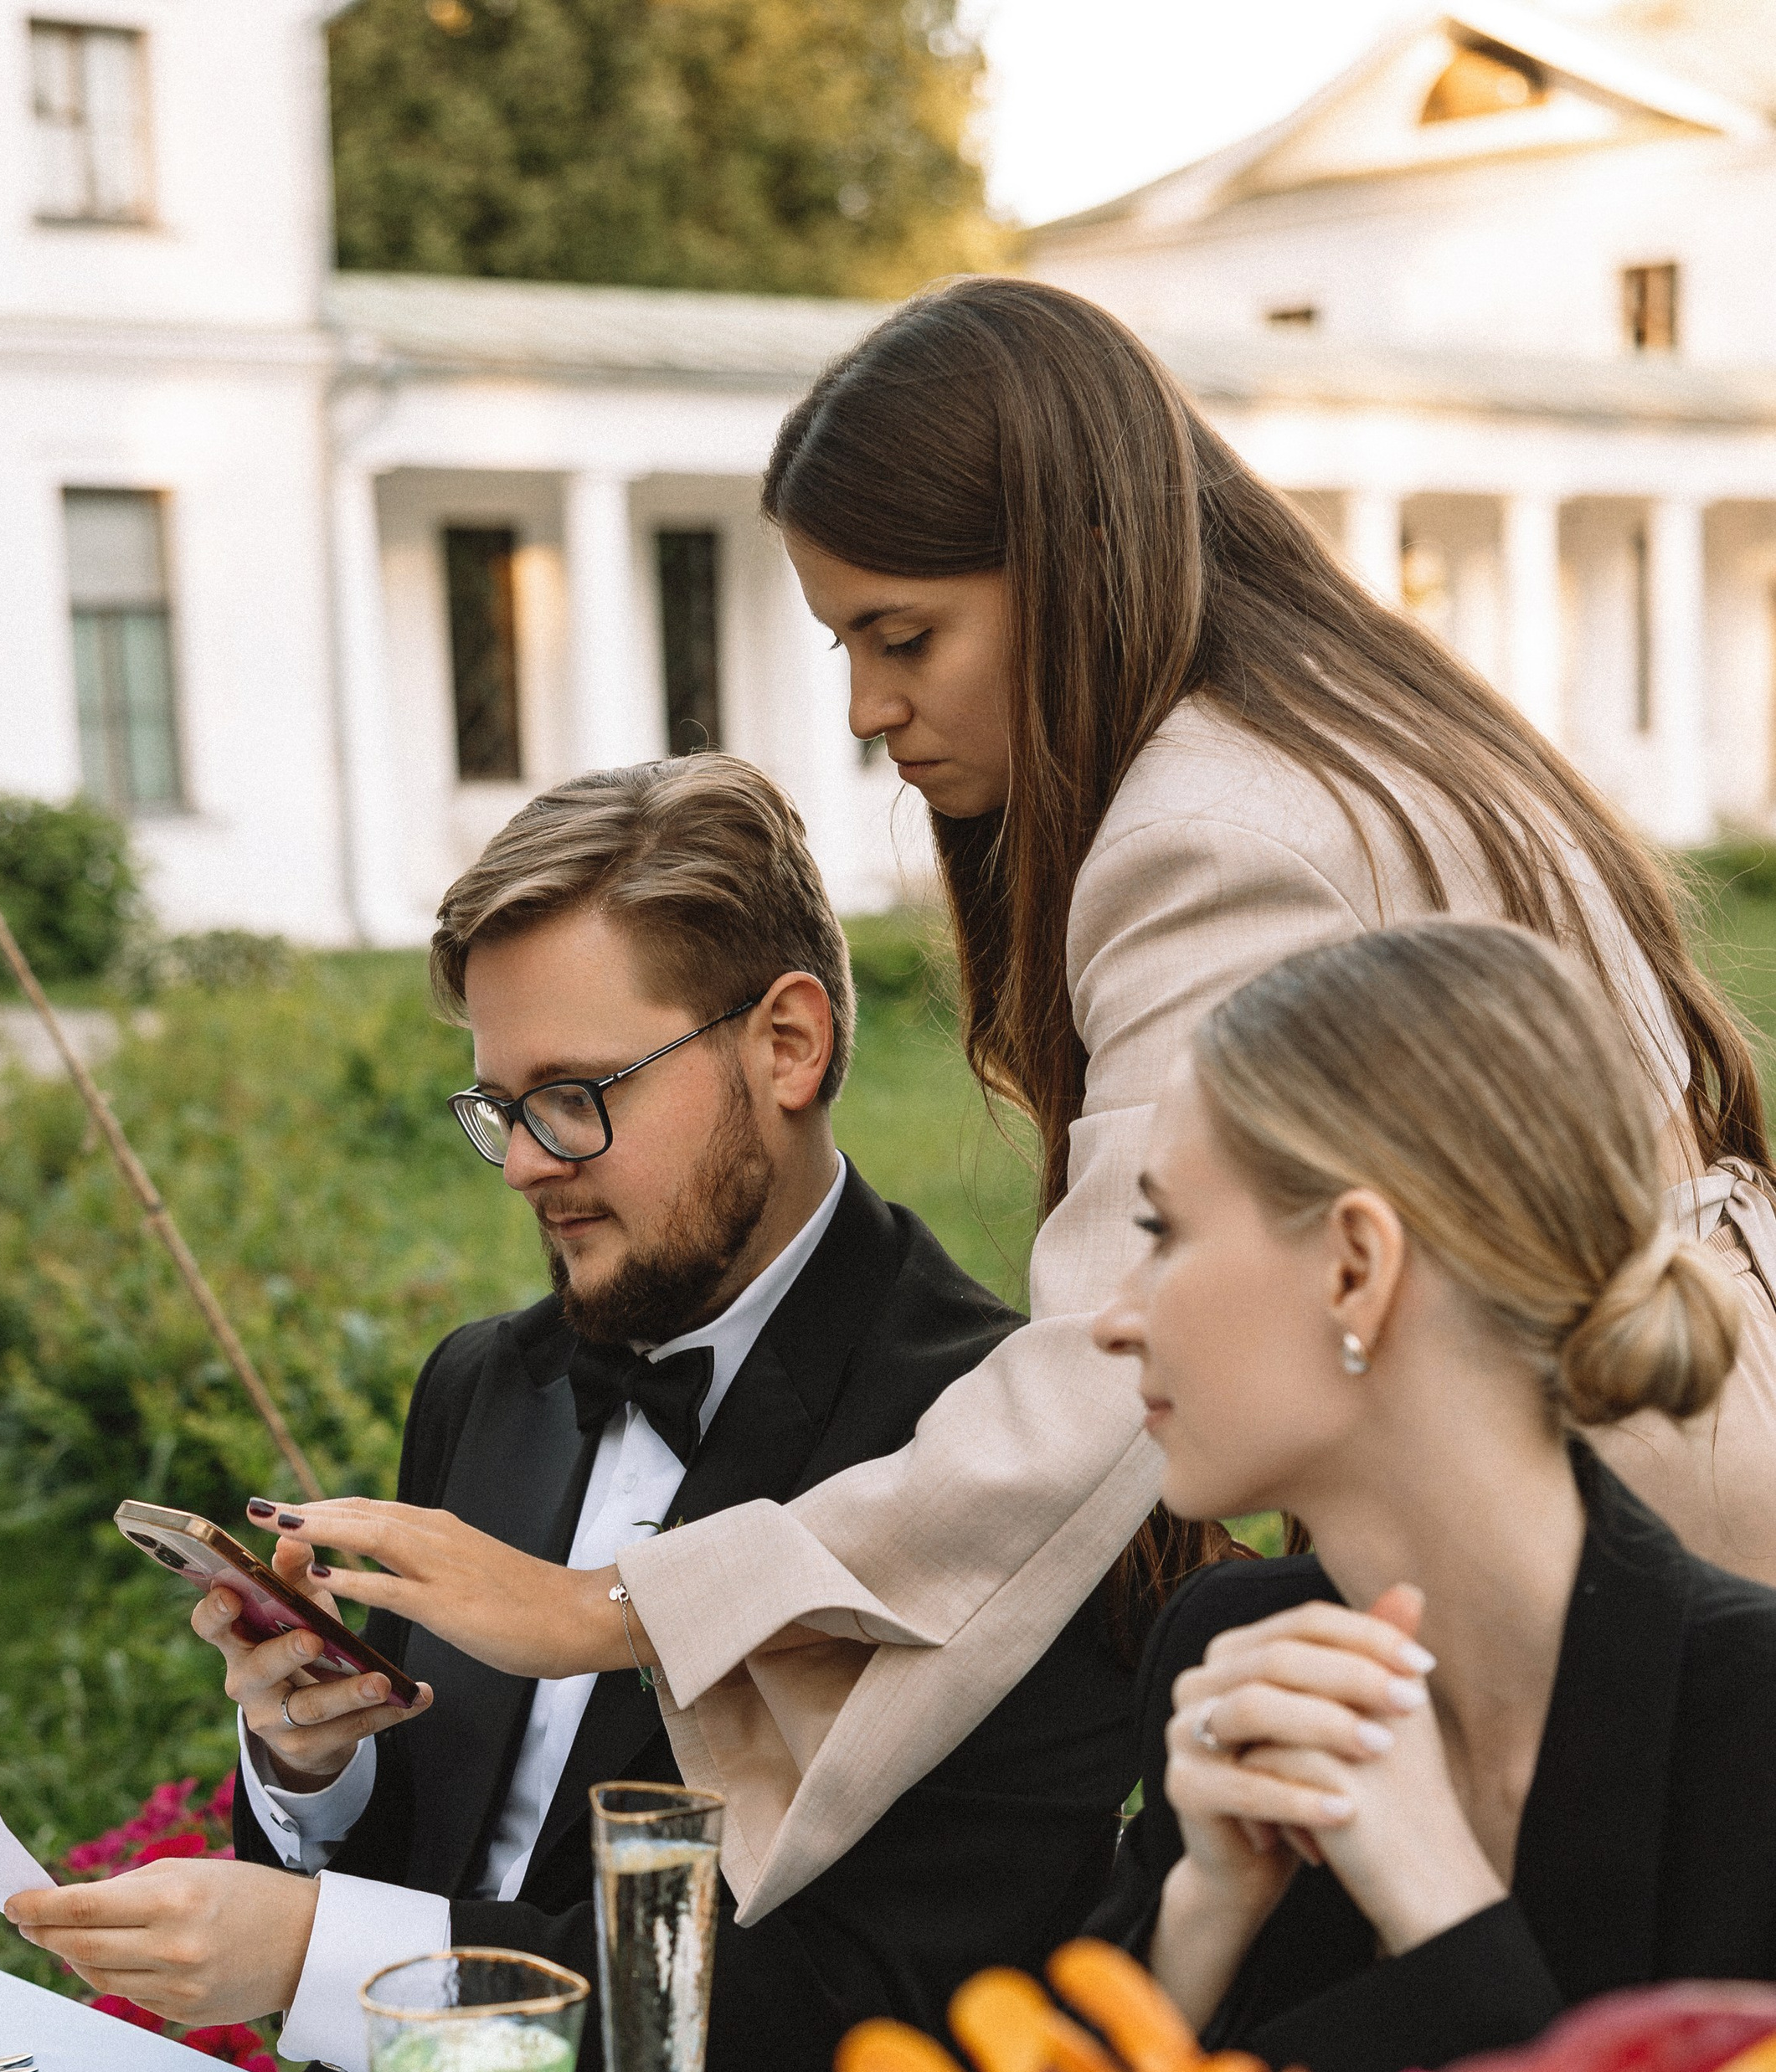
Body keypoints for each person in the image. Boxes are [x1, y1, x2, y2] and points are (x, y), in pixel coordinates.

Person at [266, 280, 1776, 1930]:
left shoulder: (1205, 829)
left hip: (1618, 1569)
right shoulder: (1330, 728)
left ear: (1071, 574)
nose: (862, 710)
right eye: (840, 644)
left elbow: (1087, 1388)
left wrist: (609, 1606)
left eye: (901, 636)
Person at [8, 756, 1135, 2072]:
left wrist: (316, 1953)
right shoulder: (490, 1380)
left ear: (787, 1043)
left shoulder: (993, 1450)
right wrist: (313, 1768)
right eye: (499, 1104)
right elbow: (433, 1840)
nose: (528, 1161)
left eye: (576, 1098)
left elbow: (867, 1998)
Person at [1080, 916, 1773, 2072]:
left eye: (1165, 1232)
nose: (1114, 1315)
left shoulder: (1751, 1735)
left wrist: (1443, 1907)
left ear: (1357, 1266)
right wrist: (1189, 1933)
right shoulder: (1231, 1658)